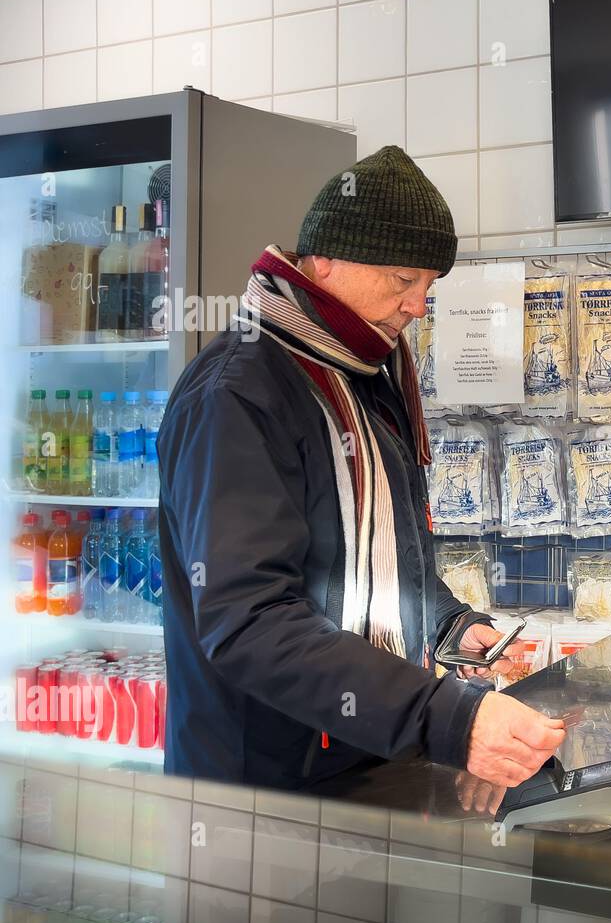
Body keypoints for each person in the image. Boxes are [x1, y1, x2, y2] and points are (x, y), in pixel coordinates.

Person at [157, 145, 564, 792]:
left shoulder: (365, 376)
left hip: (361, 757)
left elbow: (376, 564)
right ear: (326, 260)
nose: (419, 306)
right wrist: (445, 718)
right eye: (405, 280)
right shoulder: (237, 395)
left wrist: (449, 624)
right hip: (260, 790)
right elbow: (251, 621)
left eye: (430, 285)